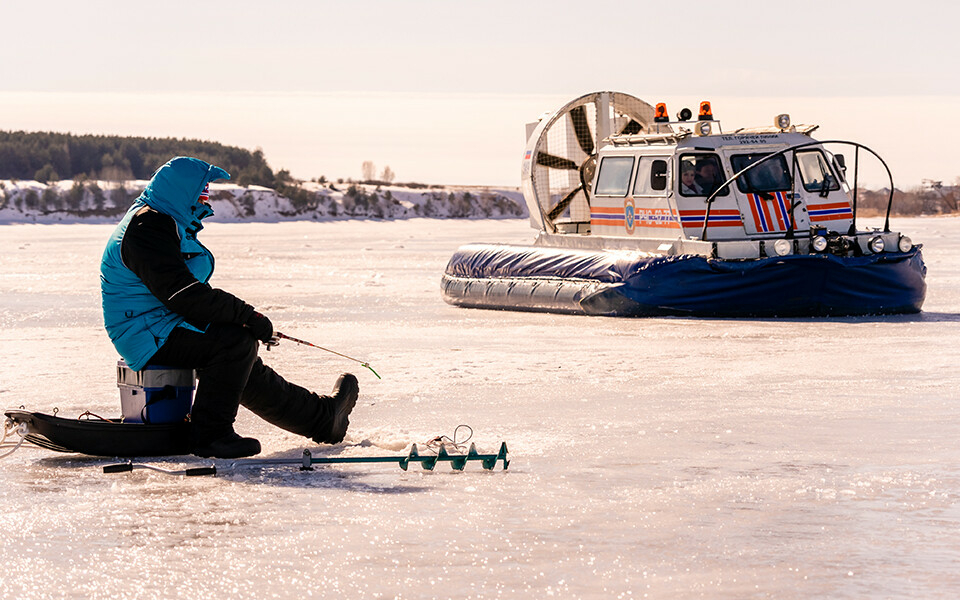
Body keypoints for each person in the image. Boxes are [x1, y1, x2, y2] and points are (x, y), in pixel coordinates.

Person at [100, 156, 358, 458]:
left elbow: (184, 295)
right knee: (234, 343)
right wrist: (248, 316)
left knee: (238, 356)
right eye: (202, 192)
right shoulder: (148, 226)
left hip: (158, 323)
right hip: (145, 332)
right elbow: (184, 295)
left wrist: (242, 319)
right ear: (182, 191)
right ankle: (209, 435)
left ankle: (323, 418)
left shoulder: (160, 220)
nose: (205, 199)